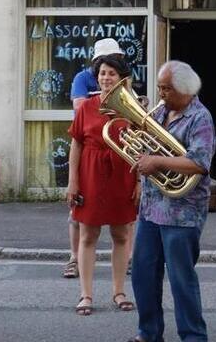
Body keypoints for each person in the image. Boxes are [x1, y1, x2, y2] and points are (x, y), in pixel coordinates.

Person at [128, 61, 215, 342]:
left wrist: (156, 161)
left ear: (185, 89)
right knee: (142, 276)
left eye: (166, 88)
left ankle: (193, 336)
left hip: (182, 213)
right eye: (160, 87)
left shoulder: (200, 118)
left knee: (181, 281)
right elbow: (146, 149)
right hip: (151, 209)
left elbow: (199, 162)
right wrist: (142, 156)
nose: (161, 93)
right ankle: (149, 333)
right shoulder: (160, 112)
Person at [66, 54, 139, 316]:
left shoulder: (131, 107)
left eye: (112, 74)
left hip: (122, 174)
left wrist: (139, 181)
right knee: (88, 236)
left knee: (121, 235)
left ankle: (119, 292)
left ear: (122, 79)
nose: (106, 78)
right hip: (90, 174)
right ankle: (86, 295)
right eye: (103, 73)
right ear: (97, 77)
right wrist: (73, 181)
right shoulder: (86, 106)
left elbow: (140, 148)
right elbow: (76, 144)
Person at [63, 37, 127, 280]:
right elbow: (80, 108)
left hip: (117, 162)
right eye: (103, 64)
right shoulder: (83, 78)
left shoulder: (122, 81)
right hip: (91, 156)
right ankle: (73, 257)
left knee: (122, 224)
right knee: (79, 217)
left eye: (114, 60)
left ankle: (125, 261)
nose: (107, 70)